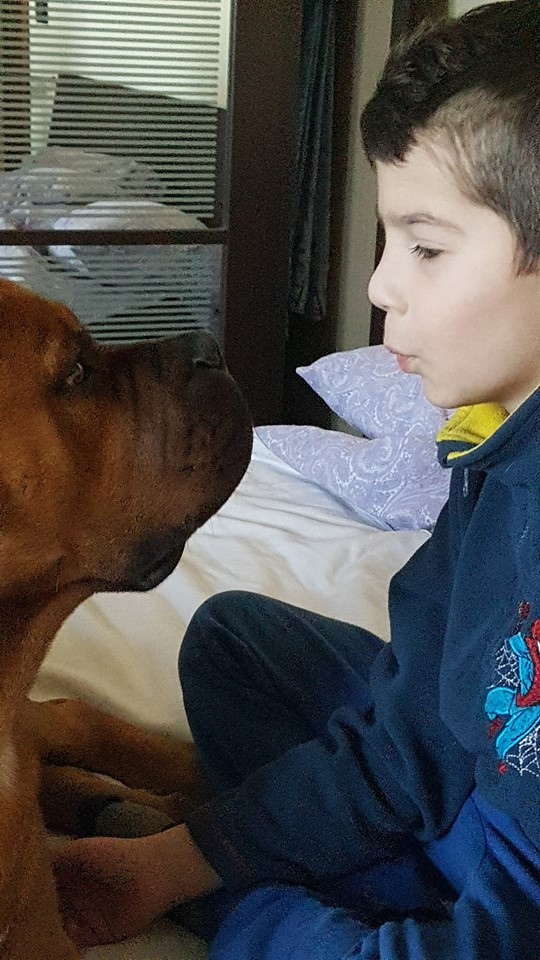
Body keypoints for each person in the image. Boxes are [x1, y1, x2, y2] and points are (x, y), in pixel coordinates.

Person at [52, 2, 540, 957]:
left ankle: (291, 903)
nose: (379, 286)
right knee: (234, 639)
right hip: (483, 770)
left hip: (518, 848)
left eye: (426, 247)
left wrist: (216, 899)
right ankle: (331, 864)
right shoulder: (494, 439)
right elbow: (417, 727)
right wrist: (183, 855)